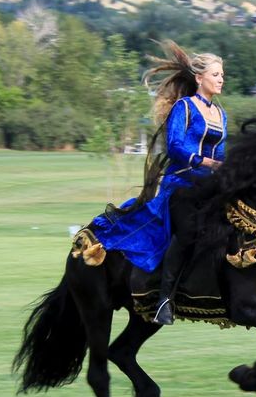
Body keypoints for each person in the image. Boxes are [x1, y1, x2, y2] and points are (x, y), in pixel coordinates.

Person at [91, 41, 227, 325]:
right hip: (181, 186)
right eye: (216, 74)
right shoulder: (185, 107)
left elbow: (222, 153)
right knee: (188, 231)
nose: (221, 79)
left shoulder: (220, 114)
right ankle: (165, 297)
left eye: (222, 74)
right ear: (199, 78)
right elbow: (175, 146)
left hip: (211, 187)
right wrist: (206, 163)